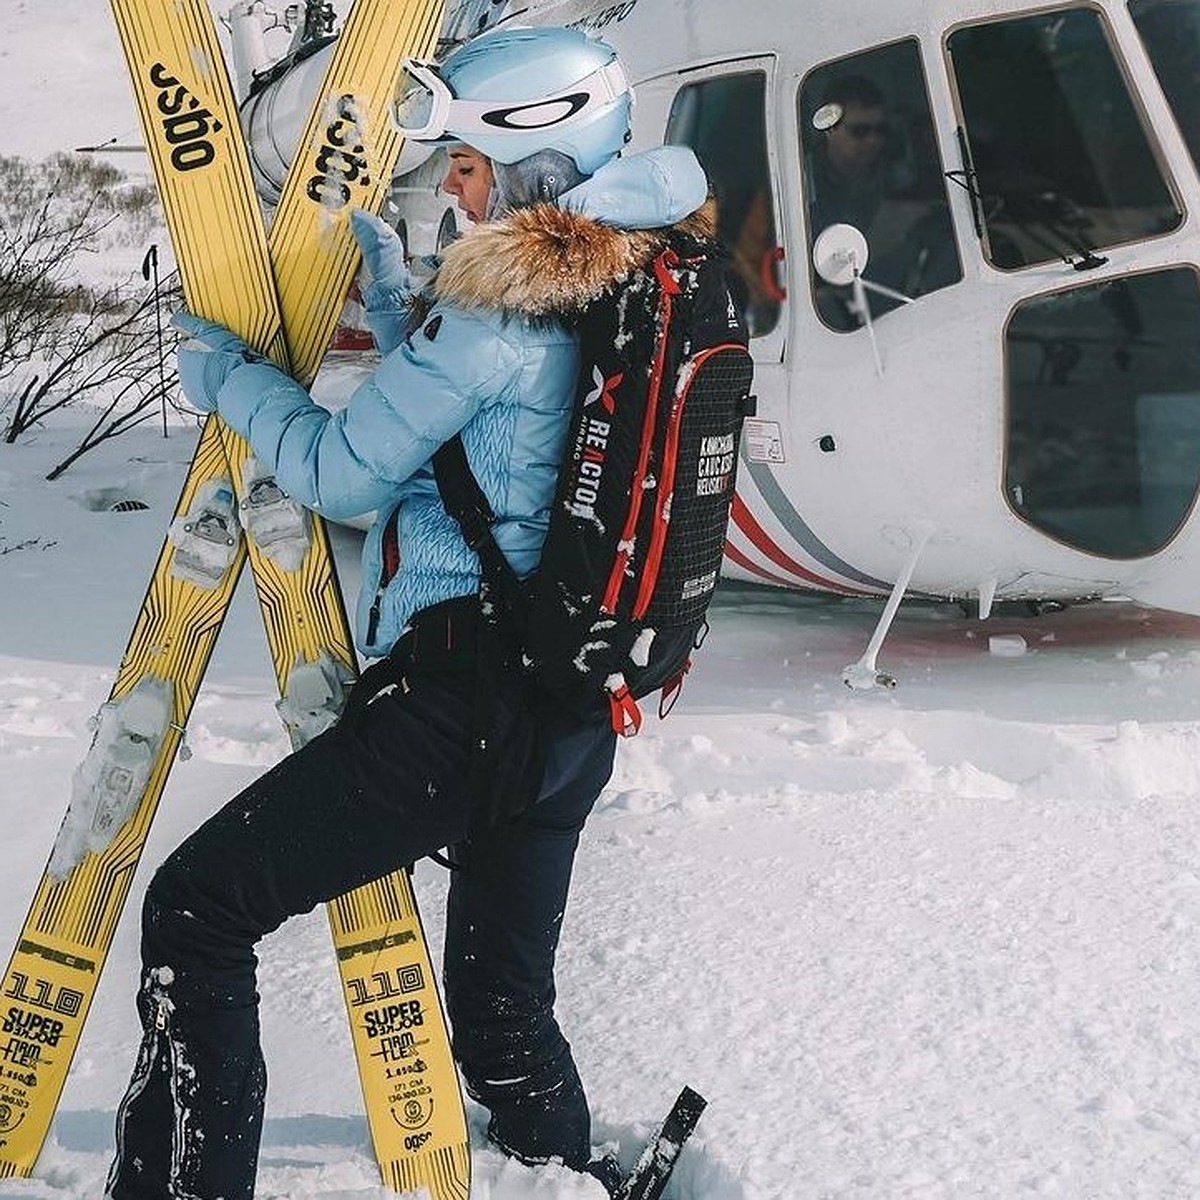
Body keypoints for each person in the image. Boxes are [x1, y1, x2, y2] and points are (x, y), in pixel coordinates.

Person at [104, 25, 713, 1200]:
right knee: (500, 1013)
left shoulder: (497, 319)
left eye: (474, 168)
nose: (460, 190)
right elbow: (502, 437)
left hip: (467, 709)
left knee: (200, 910)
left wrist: (229, 375)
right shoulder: (638, 275)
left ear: (538, 164)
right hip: (575, 713)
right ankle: (572, 1177)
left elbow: (344, 474)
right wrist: (402, 306)